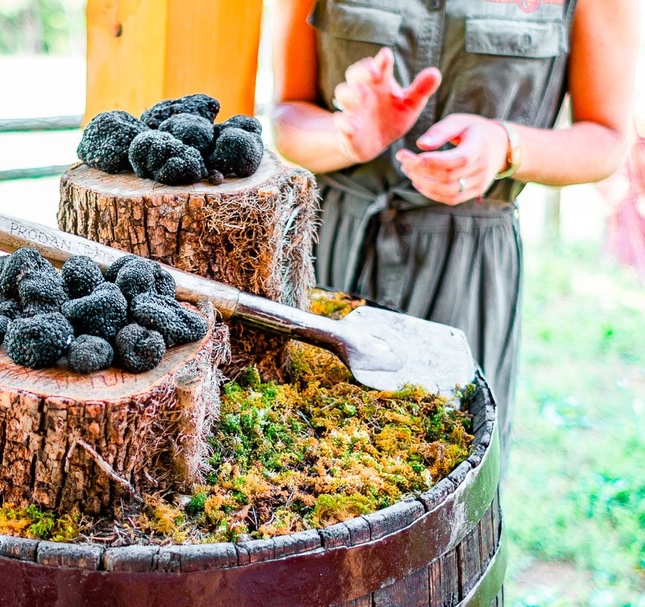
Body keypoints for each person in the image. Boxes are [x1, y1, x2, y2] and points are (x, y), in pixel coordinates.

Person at [271, 0, 639, 460]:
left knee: (450, 469)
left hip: (471, 267)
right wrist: (347, 136)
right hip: (329, 249)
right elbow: (285, 117)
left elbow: (605, 139)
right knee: (300, 462)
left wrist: (507, 146)